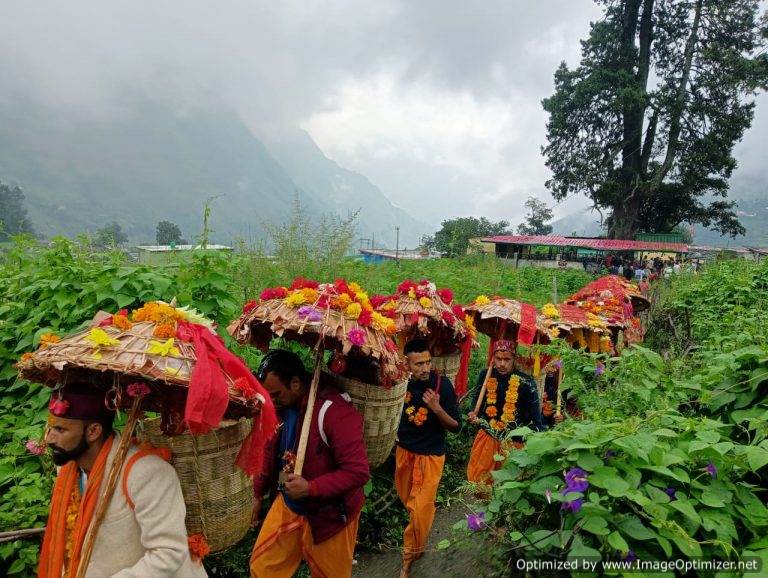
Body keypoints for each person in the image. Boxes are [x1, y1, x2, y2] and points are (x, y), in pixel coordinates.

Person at [39, 383, 206, 578]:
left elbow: (168, 552)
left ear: (93, 431)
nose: (49, 439)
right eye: (50, 428)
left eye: (60, 430)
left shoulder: (147, 473)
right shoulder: (67, 471)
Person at [249, 349, 369, 578]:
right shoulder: (282, 409)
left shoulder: (334, 412)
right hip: (289, 502)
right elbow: (271, 450)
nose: (271, 401)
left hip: (330, 514)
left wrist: (311, 488)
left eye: (276, 394)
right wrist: (258, 493)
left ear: (295, 383)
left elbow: (358, 472)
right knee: (262, 569)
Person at [395, 339, 461, 578]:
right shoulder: (400, 384)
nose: (424, 368)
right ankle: (417, 544)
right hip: (404, 454)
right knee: (409, 503)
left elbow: (456, 426)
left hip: (431, 457)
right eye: (418, 364)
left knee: (419, 510)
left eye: (427, 362)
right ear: (407, 364)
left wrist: (436, 408)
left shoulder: (442, 387)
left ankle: (406, 562)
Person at [466, 341, 545, 485]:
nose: (502, 364)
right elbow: (476, 401)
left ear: (514, 359)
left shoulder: (526, 382)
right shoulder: (486, 375)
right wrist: (472, 412)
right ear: (493, 359)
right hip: (488, 436)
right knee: (480, 483)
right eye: (498, 359)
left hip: (515, 442)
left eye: (507, 359)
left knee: (508, 487)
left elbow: (536, 419)